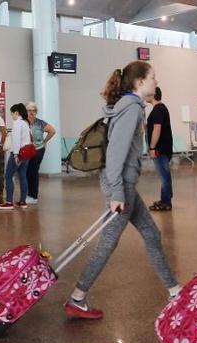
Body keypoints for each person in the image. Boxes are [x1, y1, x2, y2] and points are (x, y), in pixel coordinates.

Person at [65, 61, 181, 320]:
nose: (155, 82)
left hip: (123, 184)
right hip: (120, 185)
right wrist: (117, 192)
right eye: (153, 77)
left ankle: (174, 290)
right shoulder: (131, 109)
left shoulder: (129, 106)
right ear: (140, 82)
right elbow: (116, 151)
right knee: (108, 242)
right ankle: (77, 296)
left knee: (151, 234)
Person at [0, 103, 31, 210]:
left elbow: (16, 140)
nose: (12, 116)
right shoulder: (25, 123)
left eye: (12, 114)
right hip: (26, 153)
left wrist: (16, 155)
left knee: (8, 176)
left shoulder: (17, 123)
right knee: (23, 176)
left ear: (16, 113)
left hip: (18, 153)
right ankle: (22, 201)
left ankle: (9, 202)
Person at [146, 87, 174, 211]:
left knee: (164, 176)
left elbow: (157, 129)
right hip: (164, 148)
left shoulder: (158, 110)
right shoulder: (160, 109)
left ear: (153, 95)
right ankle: (165, 198)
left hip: (160, 149)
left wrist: (152, 147)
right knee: (165, 175)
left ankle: (166, 202)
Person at [25, 101, 56, 205]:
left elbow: (52, 131)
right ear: (26, 111)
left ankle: (33, 196)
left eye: (33, 110)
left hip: (38, 150)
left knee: (33, 171)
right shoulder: (23, 122)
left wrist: (45, 141)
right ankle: (28, 193)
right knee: (27, 172)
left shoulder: (40, 123)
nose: (31, 112)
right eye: (29, 110)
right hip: (26, 150)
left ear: (36, 112)